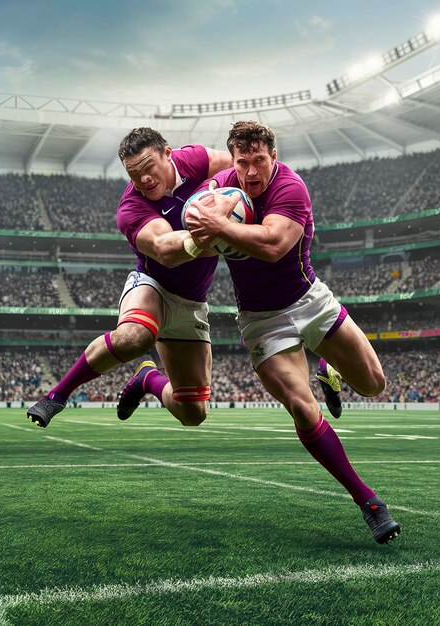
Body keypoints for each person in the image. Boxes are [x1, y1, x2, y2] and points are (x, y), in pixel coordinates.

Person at [184, 120, 400, 544]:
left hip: (310, 301)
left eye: (258, 161)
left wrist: (221, 224)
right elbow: (194, 214)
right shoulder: (222, 184)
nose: (249, 172)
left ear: (273, 157)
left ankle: (329, 370)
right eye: (242, 162)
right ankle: (369, 502)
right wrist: (205, 211)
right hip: (262, 318)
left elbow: (273, 245)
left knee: (374, 384)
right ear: (234, 159)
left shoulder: (291, 187)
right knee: (302, 407)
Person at [26, 127, 232, 428]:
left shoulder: (196, 160)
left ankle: (148, 379)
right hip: (154, 285)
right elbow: (166, 250)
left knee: (193, 414)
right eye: (134, 175)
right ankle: (56, 396)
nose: (144, 180)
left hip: (193, 301)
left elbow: (235, 169)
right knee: (134, 338)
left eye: (149, 168)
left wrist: (230, 199)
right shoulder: (131, 208)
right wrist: (226, 234)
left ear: (168, 154)